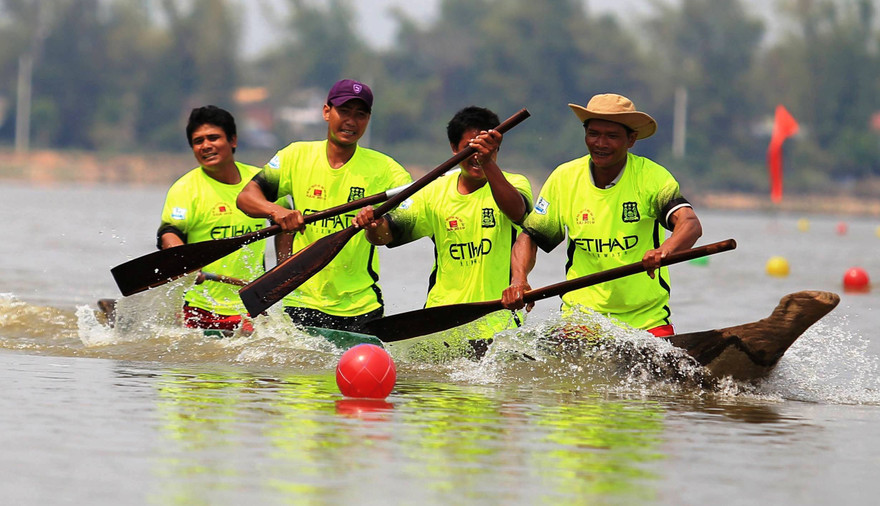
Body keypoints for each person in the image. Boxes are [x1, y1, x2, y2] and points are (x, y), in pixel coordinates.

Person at [501, 93, 702, 337]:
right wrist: (519, 280)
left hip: (645, 319)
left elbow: (689, 223)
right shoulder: (564, 178)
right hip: (580, 318)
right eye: (593, 134)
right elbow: (530, 236)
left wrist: (665, 250)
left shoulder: (652, 178)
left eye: (612, 136)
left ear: (631, 140)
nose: (600, 143)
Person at [236, 79, 413, 332]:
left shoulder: (388, 171)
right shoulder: (295, 156)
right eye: (344, 112)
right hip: (300, 301)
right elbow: (246, 198)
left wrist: (375, 226)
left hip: (361, 306)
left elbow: (393, 233)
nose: (351, 121)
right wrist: (278, 212)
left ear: (368, 119)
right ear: (326, 112)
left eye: (360, 115)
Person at [354, 106, 532, 347]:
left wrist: (488, 162)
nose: (477, 156)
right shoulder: (433, 192)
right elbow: (386, 236)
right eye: (470, 148)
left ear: (496, 147)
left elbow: (518, 213)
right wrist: (373, 226)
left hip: (498, 326)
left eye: (485, 147)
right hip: (439, 323)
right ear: (454, 148)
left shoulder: (514, 183)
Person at [158, 105, 268, 334]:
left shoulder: (260, 181)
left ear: (233, 141)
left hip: (250, 305)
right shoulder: (185, 189)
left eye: (213, 138)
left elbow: (288, 221)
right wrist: (184, 262)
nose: (206, 146)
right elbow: (169, 233)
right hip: (199, 308)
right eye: (198, 141)